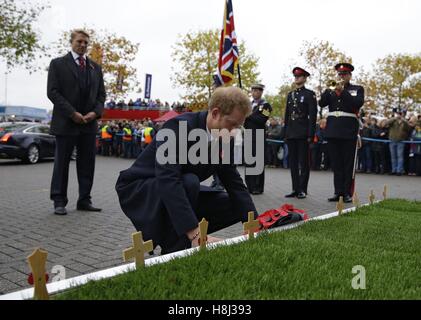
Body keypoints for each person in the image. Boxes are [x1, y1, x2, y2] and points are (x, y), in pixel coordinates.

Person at [115, 87, 258, 254]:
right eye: (232, 124)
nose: (234, 132)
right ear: (215, 113)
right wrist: (194, 233)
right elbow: (168, 179)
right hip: (141, 190)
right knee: (190, 182)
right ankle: (175, 249)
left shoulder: (224, 137)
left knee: (233, 202)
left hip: (181, 189)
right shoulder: (178, 127)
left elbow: (233, 182)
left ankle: (180, 237)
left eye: (238, 127)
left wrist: (255, 223)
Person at [47, 29, 105, 216]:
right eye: (79, 41)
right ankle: (59, 201)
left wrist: (94, 113)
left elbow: (101, 96)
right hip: (66, 122)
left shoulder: (95, 68)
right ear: (71, 42)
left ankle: (84, 200)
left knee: (87, 164)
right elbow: (53, 92)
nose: (83, 45)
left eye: (86, 43)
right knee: (62, 164)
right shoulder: (57, 64)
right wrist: (73, 113)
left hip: (88, 124)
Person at [319, 63, 365, 203]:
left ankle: (346, 193)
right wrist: (328, 90)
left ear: (349, 75)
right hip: (333, 130)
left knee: (347, 163)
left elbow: (357, 104)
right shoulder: (331, 90)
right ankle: (337, 192)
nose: (341, 76)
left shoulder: (357, 89)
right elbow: (322, 103)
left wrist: (342, 91)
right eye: (339, 74)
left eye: (344, 74)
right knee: (336, 163)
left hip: (348, 130)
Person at [283, 67, 317, 199]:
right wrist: (286, 133)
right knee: (293, 162)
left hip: (303, 133)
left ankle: (302, 189)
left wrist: (311, 134)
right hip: (291, 132)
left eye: (299, 76)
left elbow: (312, 116)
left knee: (303, 162)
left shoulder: (309, 94)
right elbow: (287, 116)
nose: (296, 78)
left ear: (304, 78)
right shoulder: (290, 95)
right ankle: (295, 188)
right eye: (295, 76)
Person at [244, 84, 272, 195]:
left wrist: (249, 115)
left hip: (259, 135)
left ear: (261, 92)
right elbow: (244, 120)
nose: (254, 92)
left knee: (258, 162)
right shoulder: (248, 105)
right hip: (249, 135)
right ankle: (249, 185)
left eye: (256, 90)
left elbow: (262, 119)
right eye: (253, 90)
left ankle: (258, 187)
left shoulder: (266, 106)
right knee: (249, 162)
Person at [386, 111, 411, 176]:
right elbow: (387, 123)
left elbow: (409, 128)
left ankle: (399, 170)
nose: (399, 115)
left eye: (401, 114)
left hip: (401, 141)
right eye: (398, 114)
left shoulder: (404, 122)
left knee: (400, 156)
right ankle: (393, 170)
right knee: (393, 156)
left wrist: (404, 120)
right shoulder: (393, 121)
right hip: (392, 140)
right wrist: (394, 118)